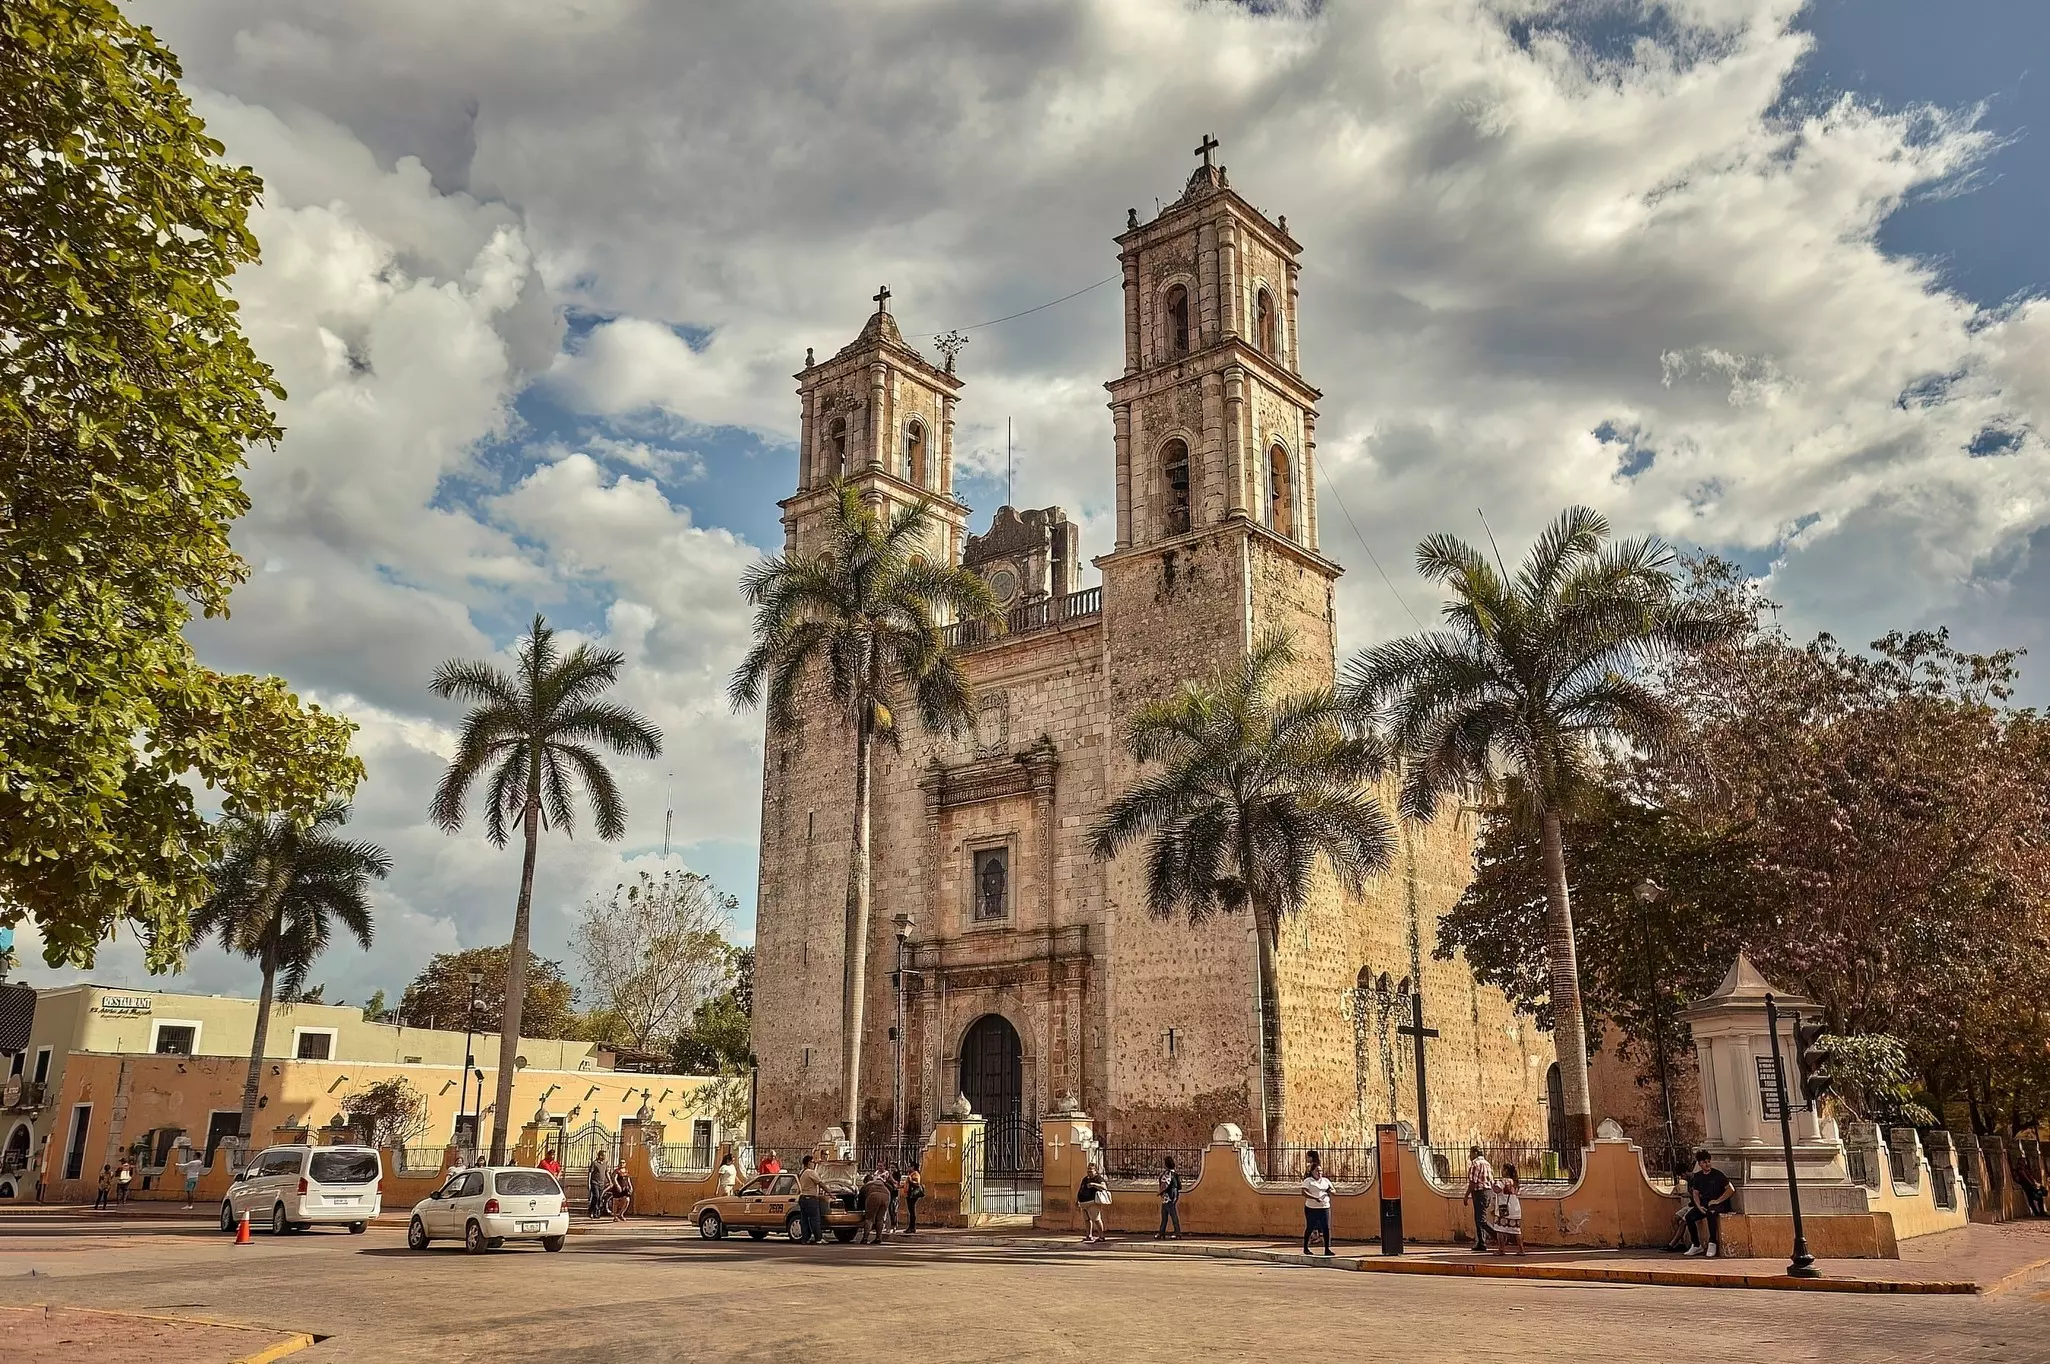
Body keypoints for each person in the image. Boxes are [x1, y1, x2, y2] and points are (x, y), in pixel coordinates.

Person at [1683, 1149, 1733, 1258]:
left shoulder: (1717, 1175)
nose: (1707, 1164)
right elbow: (1695, 1193)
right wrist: (1699, 1206)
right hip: (1705, 1204)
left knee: (1711, 1213)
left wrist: (1717, 1200)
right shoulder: (1698, 1177)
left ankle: (1712, 1242)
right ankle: (1696, 1245)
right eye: (1704, 1162)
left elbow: (1730, 1189)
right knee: (1689, 1217)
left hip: (1719, 1204)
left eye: (1708, 1161)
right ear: (1700, 1164)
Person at [1300, 1151, 1334, 1256]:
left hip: (1324, 1207)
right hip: (1311, 1208)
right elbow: (1304, 1192)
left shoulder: (1326, 1181)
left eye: (1320, 1171)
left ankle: (1327, 1249)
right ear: (1312, 1171)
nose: (1319, 1173)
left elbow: (1333, 1190)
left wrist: (1330, 1191)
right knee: (1310, 1227)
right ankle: (1305, 1247)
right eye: (1317, 1171)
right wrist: (1314, 1198)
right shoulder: (1308, 1181)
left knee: (1326, 1227)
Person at [1465, 1146, 1494, 1253]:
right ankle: (1482, 1242)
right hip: (1488, 1192)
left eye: (1471, 1153)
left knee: (1480, 1219)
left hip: (1479, 1192)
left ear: (1475, 1153)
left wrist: (1466, 1195)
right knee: (1480, 1217)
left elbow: (1473, 1182)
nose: (1470, 1156)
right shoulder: (1487, 1163)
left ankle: (1497, 1235)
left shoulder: (1475, 1164)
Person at [1490, 1164, 1524, 1255]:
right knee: (1517, 1230)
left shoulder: (1503, 1181)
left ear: (1506, 1171)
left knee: (1500, 1229)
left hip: (1503, 1209)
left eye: (1503, 1169)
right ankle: (1521, 1249)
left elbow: (1497, 1189)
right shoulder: (1516, 1182)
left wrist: (1492, 1182)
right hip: (1515, 1209)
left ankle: (1501, 1249)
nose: (1501, 1171)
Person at [796, 1155, 828, 1244]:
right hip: (811, 1199)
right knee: (815, 1219)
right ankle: (818, 1238)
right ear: (808, 1163)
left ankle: (805, 1238)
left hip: (803, 1198)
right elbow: (821, 1183)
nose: (814, 1164)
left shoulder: (802, 1172)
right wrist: (830, 1193)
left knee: (804, 1219)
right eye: (813, 1162)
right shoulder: (811, 1172)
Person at [1077, 1162, 1109, 1243]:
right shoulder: (1085, 1179)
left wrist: (1093, 1184)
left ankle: (1101, 1236)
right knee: (1087, 1220)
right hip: (1083, 1203)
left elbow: (1104, 1187)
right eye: (1088, 1170)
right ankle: (1089, 1236)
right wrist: (1077, 1200)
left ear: (1095, 1171)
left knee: (1097, 1219)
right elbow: (1081, 1189)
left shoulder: (1098, 1178)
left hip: (1092, 1202)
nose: (1089, 1172)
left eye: (1091, 1170)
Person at [859, 1167, 891, 1244]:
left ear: (866, 1181)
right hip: (886, 1195)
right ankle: (878, 1238)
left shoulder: (867, 1185)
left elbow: (860, 1199)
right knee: (880, 1218)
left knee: (869, 1218)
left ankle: (865, 1238)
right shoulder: (879, 1182)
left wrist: (861, 1208)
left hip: (874, 1196)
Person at [1155, 1155, 1183, 1240]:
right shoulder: (1175, 1173)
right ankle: (1161, 1232)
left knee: (1171, 1214)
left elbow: (1164, 1185)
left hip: (1168, 1195)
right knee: (1165, 1214)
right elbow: (1179, 1186)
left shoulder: (1167, 1174)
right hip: (1173, 1195)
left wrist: (1161, 1192)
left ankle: (1177, 1233)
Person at [902, 1167, 924, 1235]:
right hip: (908, 1194)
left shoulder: (916, 1174)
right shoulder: (910, 1174)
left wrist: (910, 1180)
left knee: (912, 1211)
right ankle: (910, 1227)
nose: (908, 1168)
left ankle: (912, 1227)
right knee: (910, 1211)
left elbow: (917, 1183)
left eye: (909, 1167)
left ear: (913, 1167)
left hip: (913, 1194)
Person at [587, 1152, 609, 1218]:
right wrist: (588, 1183)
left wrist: (610, 1181)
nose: (605, 1157)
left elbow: (606, 1172)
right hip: (594, 1182)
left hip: (601, 1183)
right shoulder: (595, 1163)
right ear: (600, 1156)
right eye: (603, 1155)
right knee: (596, 1196)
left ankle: (596, 1211)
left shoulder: (605, 1163)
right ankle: (592, 1210)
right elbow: (590, 1173)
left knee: (600, 1198)